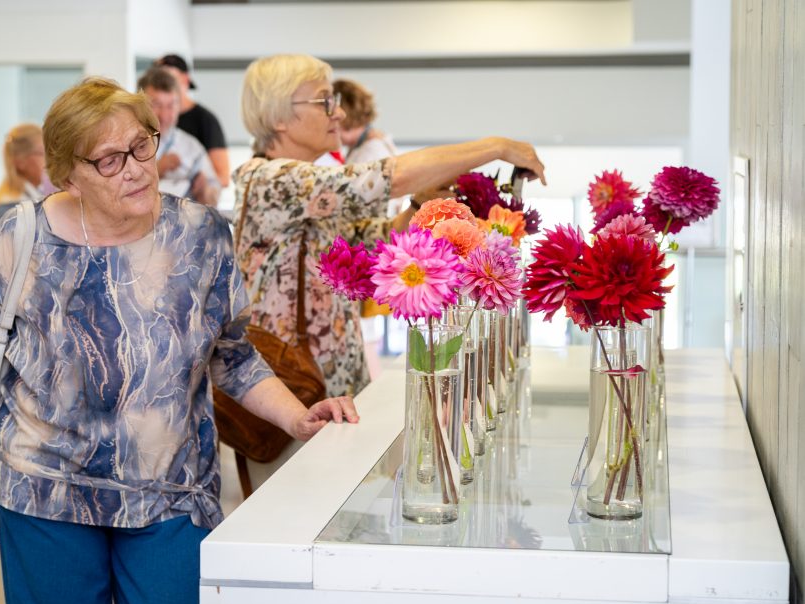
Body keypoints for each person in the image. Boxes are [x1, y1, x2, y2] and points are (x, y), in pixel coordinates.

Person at [0, 77, 359, 604]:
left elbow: (231, 354)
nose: (137, 167)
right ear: (68, 172)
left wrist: (297, 416)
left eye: (142, 145)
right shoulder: (22, 234)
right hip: (43, 493)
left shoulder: (202, 234)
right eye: (110, 160)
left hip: (170, 493)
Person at [236, 53, 546, 399]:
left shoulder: (310, 190)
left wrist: (418, 203)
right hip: (289, 394)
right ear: (279, 116)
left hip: (333, 386)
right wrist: (497, 147)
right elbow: (383, 177)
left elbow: (373, 244)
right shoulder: (268, 180)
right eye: (325, 101)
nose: (337, 113)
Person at [138, 67, 221, 206]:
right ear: (140, 105)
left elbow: (213, 198)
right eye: (156, 105)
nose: (164, 115)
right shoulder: (126, 143)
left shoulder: (192, 147)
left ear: (179, 106)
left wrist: (204, 191)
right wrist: (156, 170)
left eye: (171, 105)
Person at [155, 54, 230, 187]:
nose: (164, 115)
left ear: (185, 79)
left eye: (168, 78)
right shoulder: (147, 123)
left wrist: (197, 182)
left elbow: (223, 177)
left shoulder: (205, 120)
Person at [0, 123, 45, 246]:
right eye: (42, 153)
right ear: (21, 162)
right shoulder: (9, 211)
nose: (49, 161)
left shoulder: (36, 197)